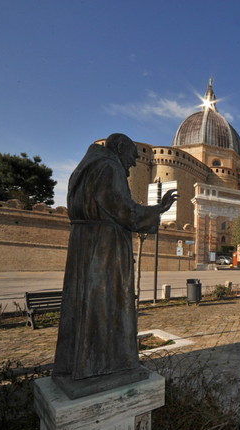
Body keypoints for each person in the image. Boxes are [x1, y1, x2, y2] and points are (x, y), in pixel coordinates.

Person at [52, 133, 177, 399]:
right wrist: (159, 209)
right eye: (132, 158)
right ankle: (105, 365)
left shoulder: (85, 168)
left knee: (84, 302)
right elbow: (125, 211)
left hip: (86, 245)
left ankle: (78, 364)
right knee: (105, 302)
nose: (132, 165)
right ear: (120, 149)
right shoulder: (109, 167)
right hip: (104, 247)